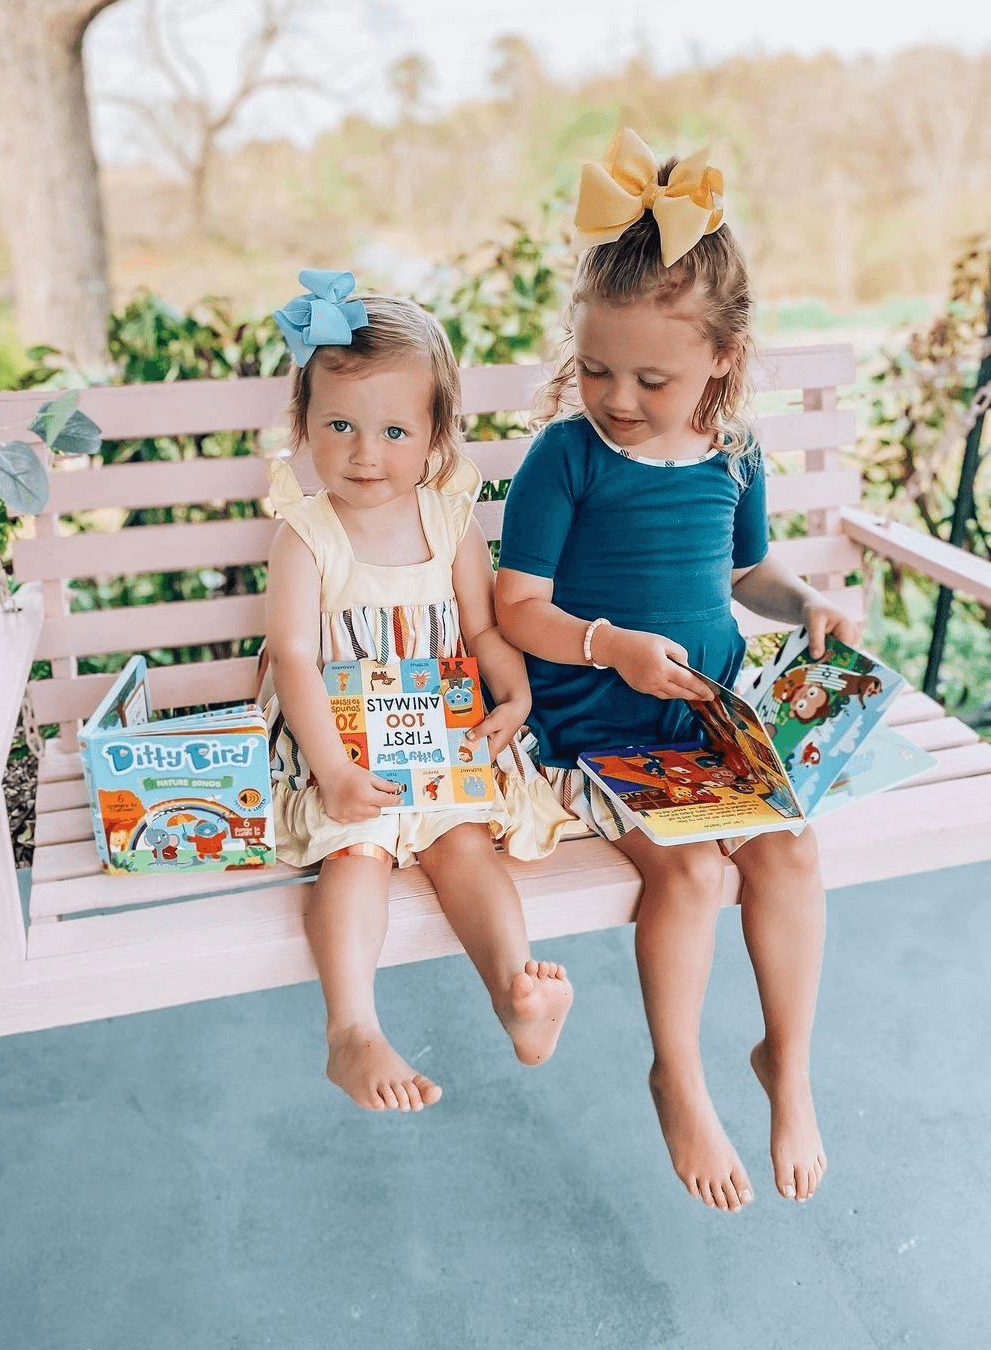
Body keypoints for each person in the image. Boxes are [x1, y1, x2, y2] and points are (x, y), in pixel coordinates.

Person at [495, 130, 857, 1209]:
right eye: (598, 367)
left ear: (721, 363)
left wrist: (809, 606)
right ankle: (679, 1071)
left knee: (788, 849)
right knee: (694, 872)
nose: (615, 394)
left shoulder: (734, 453)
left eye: (651, 377)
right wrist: (609, 646)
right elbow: (519, 608)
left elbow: (748, 572)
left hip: (708, 721)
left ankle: (785, 1063)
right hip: (597, 719)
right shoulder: (566, 456)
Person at [261, 271, 574, 1112]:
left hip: (440, 729)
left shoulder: (450, 522)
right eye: (340, 426)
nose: (366, 453)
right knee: (356, 850)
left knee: (462, 841)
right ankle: (351, 1029)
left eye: (395, 429)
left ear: (437, 434)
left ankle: (518, 992)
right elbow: (293, 657)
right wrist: (330, 769)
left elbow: (481, 632)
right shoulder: (307, 535)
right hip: (338, 737)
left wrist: (513, 699)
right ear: (304, 426)